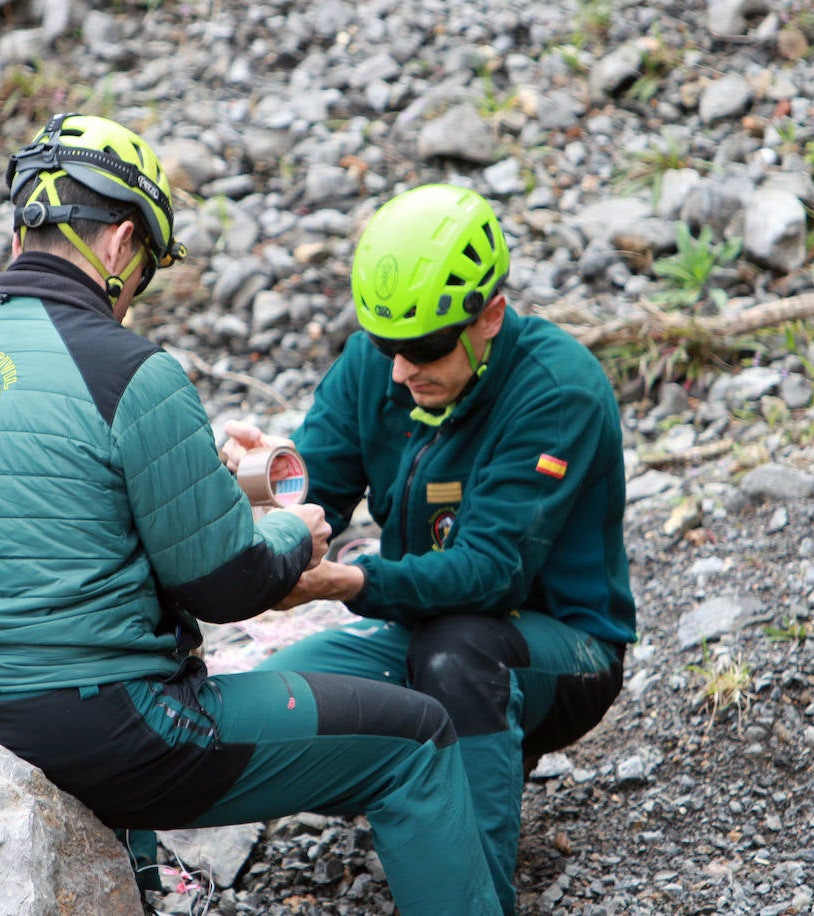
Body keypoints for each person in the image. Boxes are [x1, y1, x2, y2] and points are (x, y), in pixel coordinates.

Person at [0, 114, 503, 915]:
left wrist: (203, 483)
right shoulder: (127, 370)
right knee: (417, 738)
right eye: (149, 271)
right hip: (112, 738)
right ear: (122, 243)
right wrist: (291, 533)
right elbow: (228, 587)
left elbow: (41, 528)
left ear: (23, 230)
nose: (136, 297)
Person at [221, 183, 638, 915]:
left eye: (424, 349)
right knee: (274, 701)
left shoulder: (555, 389)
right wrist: (262, 485)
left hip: (565, 650)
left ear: (490, 317)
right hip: (419, 628)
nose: (399, 371)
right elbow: (316, 494)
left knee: (459, 650)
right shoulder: (376, 368)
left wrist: (350, 583)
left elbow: (491, 574)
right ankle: (426, 792)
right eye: (387, 346)